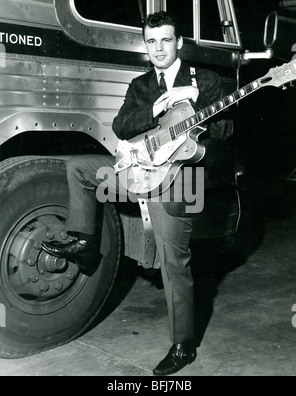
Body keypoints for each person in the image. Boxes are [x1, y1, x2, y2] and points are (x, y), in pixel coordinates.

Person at [42, 11, 232, 376]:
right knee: (79, 168)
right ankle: (84, 243)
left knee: (173, 262)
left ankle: (183, 345)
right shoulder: (140, 85)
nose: (158, 48)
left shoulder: (206, 81)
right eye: (151, 41)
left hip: (181, 179)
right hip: (138, 172)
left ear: (179, 43)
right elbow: (121, 125)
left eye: (165, 40)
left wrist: (195, 123)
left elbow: (225, 133)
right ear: (146, 46)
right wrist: (155, 109)